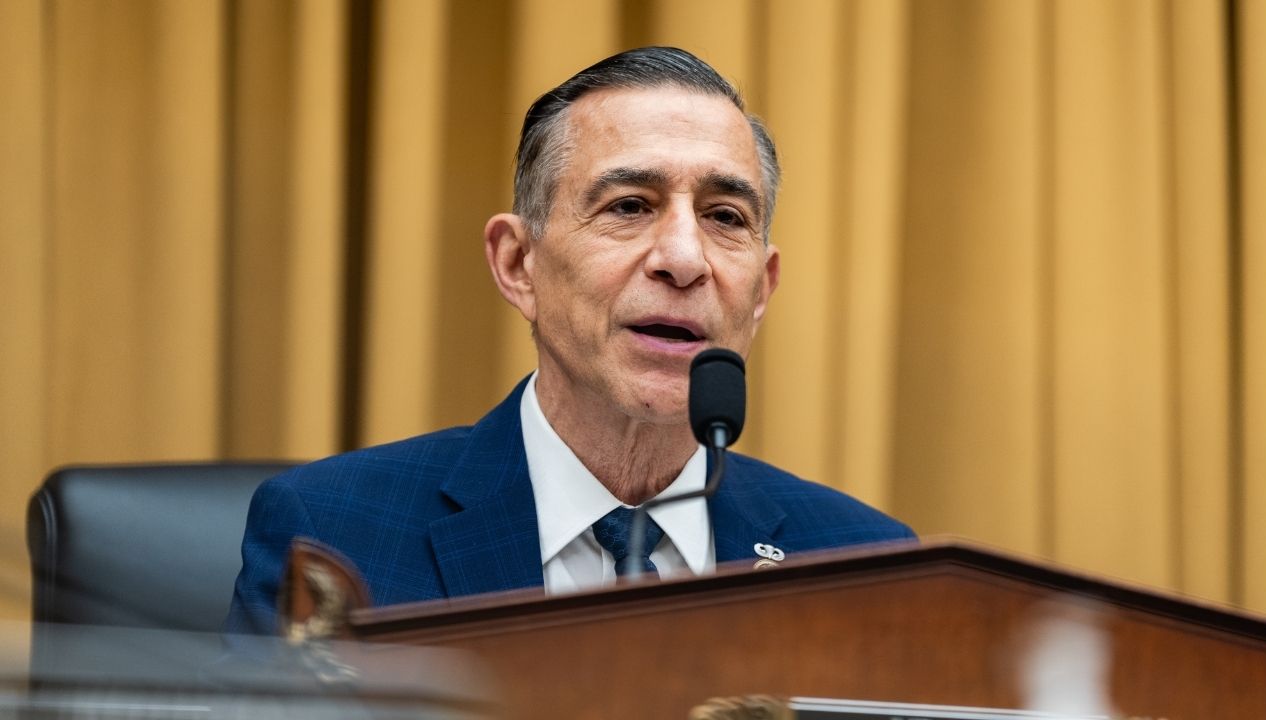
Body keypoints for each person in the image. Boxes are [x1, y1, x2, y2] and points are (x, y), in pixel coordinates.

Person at [225, 47, 913, 636]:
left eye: (724, 216)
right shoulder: (334, 535)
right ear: (518, 264)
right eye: (630, 206)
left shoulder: (865, 566)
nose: (684, 258)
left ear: (761, 290)